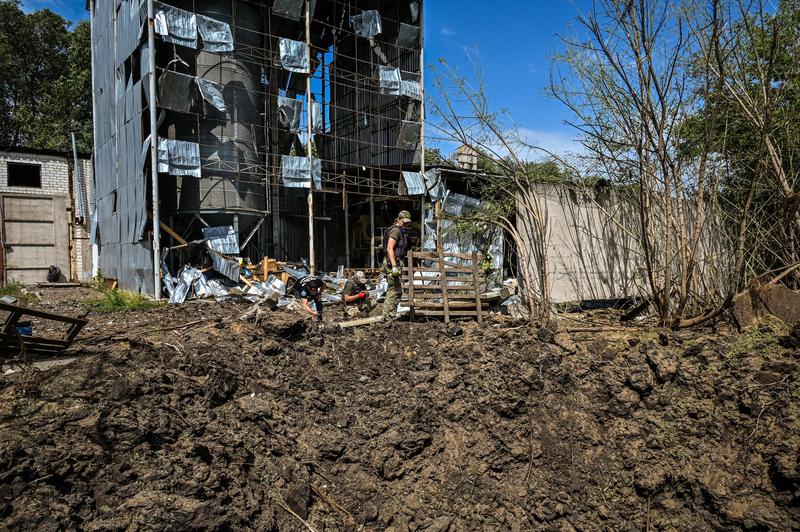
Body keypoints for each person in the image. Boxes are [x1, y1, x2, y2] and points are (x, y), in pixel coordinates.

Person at [382, 210, 413, 320]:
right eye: (404, 222)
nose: (406, 224)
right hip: (392, 263)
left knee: (394, 290)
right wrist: (394, 266)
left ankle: (387, 316)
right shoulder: (395, 231)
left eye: (407, 222)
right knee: (395, 290)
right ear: (399, 220)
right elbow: (390, 248)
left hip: (396, 262)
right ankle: (388, 317)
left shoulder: (402, 230)